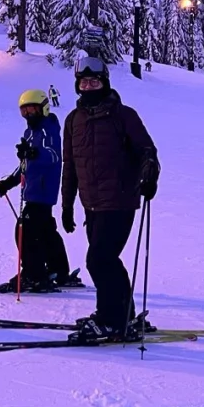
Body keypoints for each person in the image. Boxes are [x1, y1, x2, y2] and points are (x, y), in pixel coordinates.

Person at [60, 54, 161, 343]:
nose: (89, 86)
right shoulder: (73, 120)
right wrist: (67, 206)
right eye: (84, 82)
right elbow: (70, 165)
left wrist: (149, 175)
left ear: (104, 82)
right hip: (91, 204)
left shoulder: (123, 115)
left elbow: (147, 151)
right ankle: (123, 313)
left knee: (99, 259)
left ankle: (110, 321)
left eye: (94, 81)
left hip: (119, 200)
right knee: (107, 260)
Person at [0, 89, 75, 292]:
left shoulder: (49, 130)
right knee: (46, 231)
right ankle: (59, 271)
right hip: (33, 191)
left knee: (25, 230)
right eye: (24, 111)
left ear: (44, 108)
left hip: (42, 191)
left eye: (32, 109)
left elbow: (53, 156)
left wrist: (33, 152)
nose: (29, 114)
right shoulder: (30, 133)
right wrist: (10, 182)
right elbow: (26, 164)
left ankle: (34, 275)